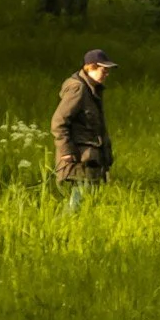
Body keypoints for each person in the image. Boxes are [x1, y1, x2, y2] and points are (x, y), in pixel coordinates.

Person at [53, 49, 117, 211]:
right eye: (104, 69)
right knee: (77, 206)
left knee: (86, 205)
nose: (107, 73)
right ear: (91, 67)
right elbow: (59, 122)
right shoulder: (78, 89)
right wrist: (66, 151)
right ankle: (60, 231)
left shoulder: (93, 89)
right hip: (79, 159)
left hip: (90, 159)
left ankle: (65, 231)